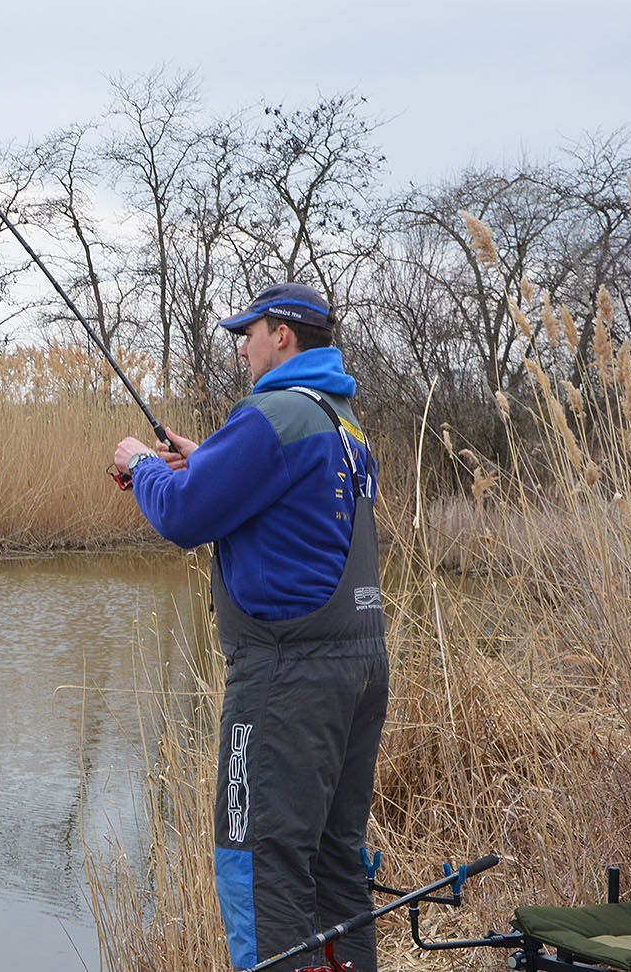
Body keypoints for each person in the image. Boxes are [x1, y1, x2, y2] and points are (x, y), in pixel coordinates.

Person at [111, 281, 388, 972]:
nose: (243, 345)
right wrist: (208, 456)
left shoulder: (270, 415)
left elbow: (181, 516)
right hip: (358, 666)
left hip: (284, 677)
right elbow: (281, 496)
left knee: (255, 861)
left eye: (250, 331)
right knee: (334, 863)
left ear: (283, 336)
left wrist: (141, 465)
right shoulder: (340, 420)